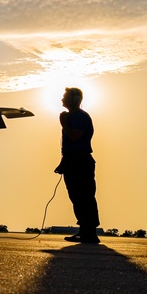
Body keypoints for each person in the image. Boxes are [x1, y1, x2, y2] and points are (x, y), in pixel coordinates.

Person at [55, 87, 100, 244]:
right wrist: (63, 163)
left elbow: (75, 137)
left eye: (65, 96)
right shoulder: (72, 117)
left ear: (74, 100)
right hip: (72, 161)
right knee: (76, 197)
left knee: (85, 196)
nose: (62, 99)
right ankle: (84, 231)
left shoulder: (81, 117)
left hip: (80, 161)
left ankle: (90, 232)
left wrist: (63, 124)